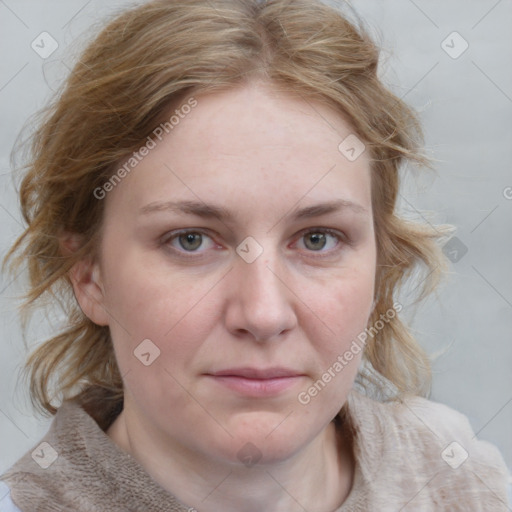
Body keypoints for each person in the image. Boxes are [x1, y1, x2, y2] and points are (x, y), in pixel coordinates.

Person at [1, 0, 510, 510]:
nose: (264, 314)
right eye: (191, 240)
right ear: (89, 275)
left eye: (317, 239)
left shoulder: (463, 483)